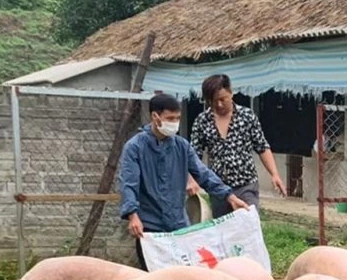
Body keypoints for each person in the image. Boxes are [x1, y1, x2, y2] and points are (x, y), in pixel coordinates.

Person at [120, 92, 242, 268]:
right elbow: (129, 184)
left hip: (179, 225)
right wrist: (133, 215)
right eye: (170, 118)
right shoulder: (135, 148)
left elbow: (203, 174)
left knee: (184, 278)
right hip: (150, 228)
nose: (174, 123)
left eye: (177, 118)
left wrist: (230, 196)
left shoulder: (181, 146)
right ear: (155, 117)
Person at [189, 74, 286, 212]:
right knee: (225, 231)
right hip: (217, 188)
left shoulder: (247, 116)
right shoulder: (201, 121)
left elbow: (262, 147)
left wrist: (274, 174)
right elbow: (193, 155)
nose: (219, 104)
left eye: (223, 99)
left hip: (246, 185)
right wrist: (192, 180)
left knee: (248, 226)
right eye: (213, 101)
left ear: (231, 93)